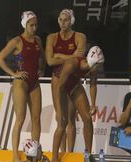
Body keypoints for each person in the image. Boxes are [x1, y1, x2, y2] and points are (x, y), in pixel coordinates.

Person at [0, 11, 44, 162]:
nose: (34, 28)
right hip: (21, 84)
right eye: (31, 25)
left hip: (35, 83)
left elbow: (41, 56)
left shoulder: (38, 40)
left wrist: (41, 69)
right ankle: (15, 155)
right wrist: (13, 73)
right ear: (25, 25)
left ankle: (34, 155)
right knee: (21, 118)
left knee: (36, 119)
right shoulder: (17, 41)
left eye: (36, 25)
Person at [51, 43, 104, 162]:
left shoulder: (92, 69)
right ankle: (54, 158)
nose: (100, 68)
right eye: (99, 65)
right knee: (62, 121)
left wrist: (93, 104)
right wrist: (59, 111)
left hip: (74, 84)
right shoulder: (72, 63)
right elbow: (59, 87)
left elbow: (93, 85)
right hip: (59, 84)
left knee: (87, 118)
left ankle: (88, 155)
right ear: (93, 63)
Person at [45, 9, 84, 153]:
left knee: (71, 118)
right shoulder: (52, 37)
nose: (63, 23)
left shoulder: (80, 37)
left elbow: (78, 58)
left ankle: (70, 153)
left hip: (73, 80)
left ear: (71, 21)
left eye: (66, 20)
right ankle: (61, 152)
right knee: (60, 118)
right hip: (57, 79)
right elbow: (49, 61)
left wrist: (59, 55)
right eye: (60, 20)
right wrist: (70, 57)